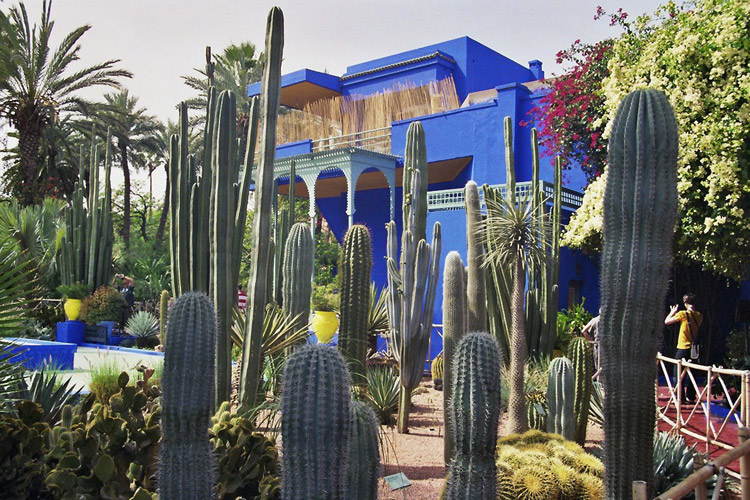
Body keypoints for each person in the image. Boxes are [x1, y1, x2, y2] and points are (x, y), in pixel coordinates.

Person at [665, 293, 703, 403]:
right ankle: (691, 396)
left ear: (685, 303)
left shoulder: (682, 314)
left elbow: (667, 321)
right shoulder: (699, 315)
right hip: (694, 349)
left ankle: (679, 397)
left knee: (678, 372)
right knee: (693, 372)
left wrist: (672, 312)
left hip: (683, 347)